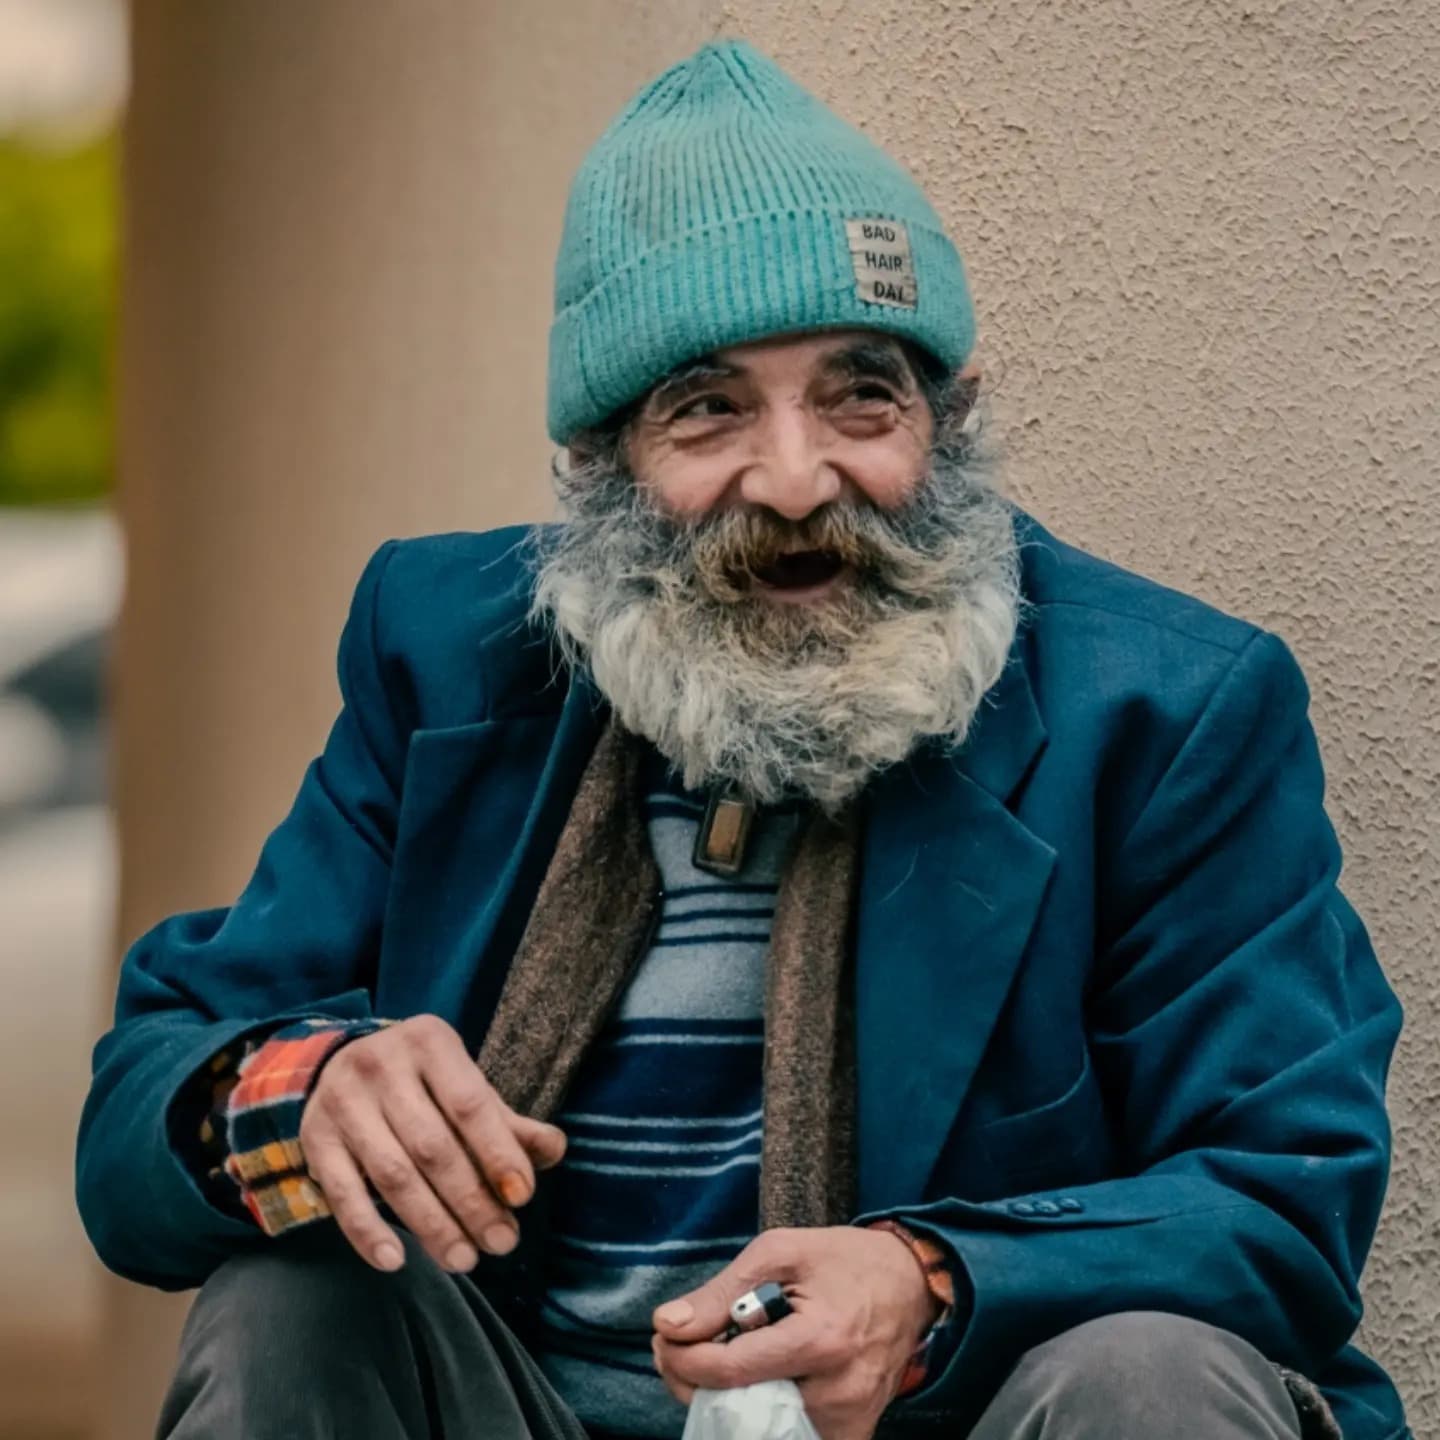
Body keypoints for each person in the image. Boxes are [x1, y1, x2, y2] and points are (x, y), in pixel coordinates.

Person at [76, 37, 1407, 1440]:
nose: (793, 481)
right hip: (528, 1406)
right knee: (291, 1295)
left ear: (945, 425)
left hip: (940, 1422)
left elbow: (1281, 1192)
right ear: (602, 469)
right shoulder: (447, 650)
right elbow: (144, 1113)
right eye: (707, 409)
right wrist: (307, 1091)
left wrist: (933, 1278)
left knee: (1153, 1375)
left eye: (861, 394)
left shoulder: (1167, 713)